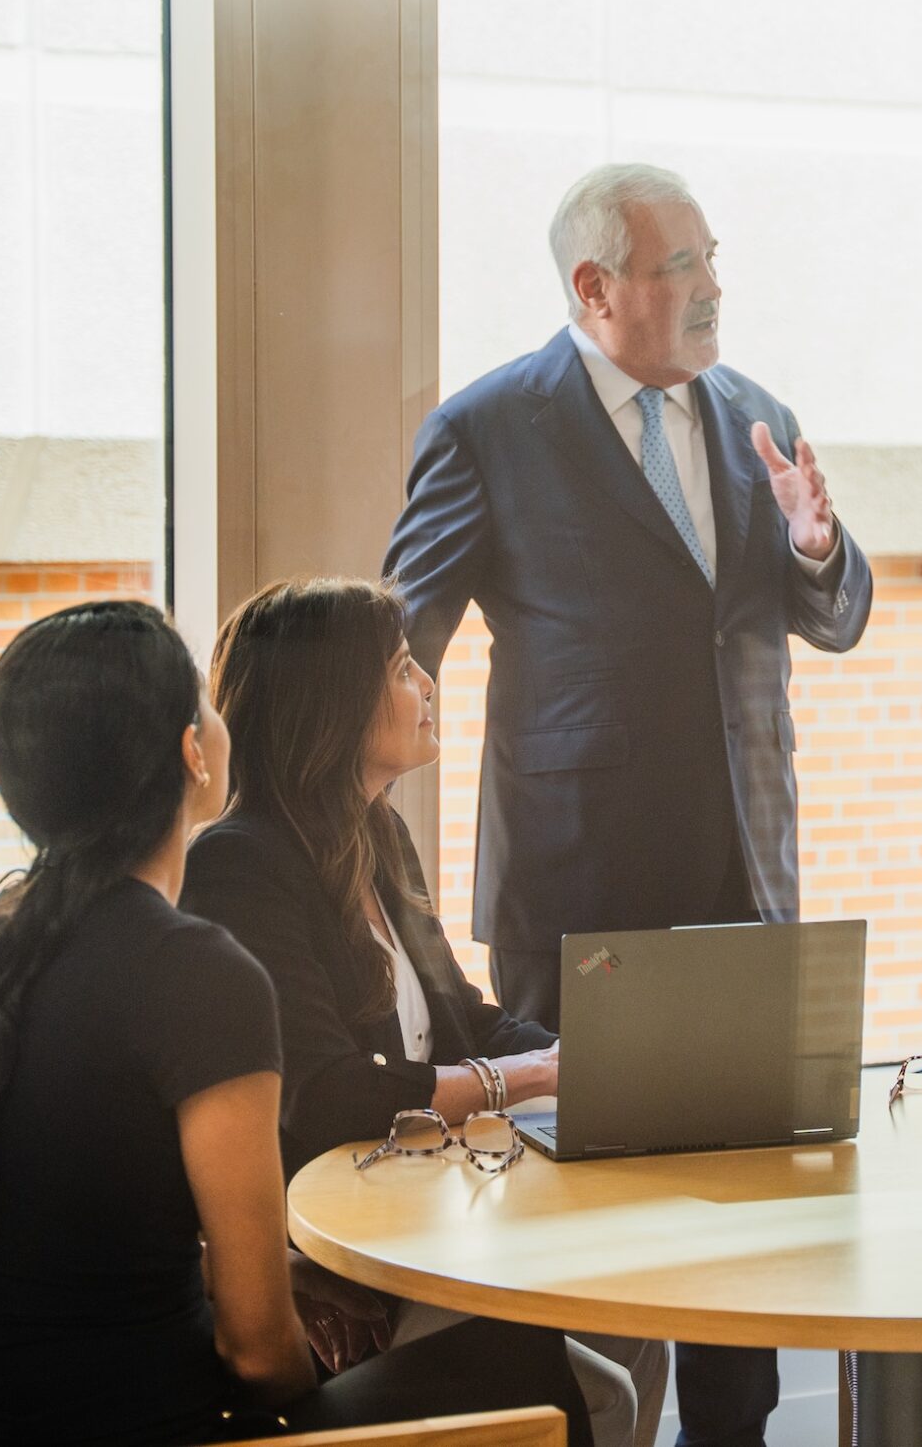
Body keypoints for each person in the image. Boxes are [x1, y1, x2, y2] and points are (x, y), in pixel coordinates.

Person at [383, 162, 873, 1447]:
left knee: (747, 1233)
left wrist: (819, 545)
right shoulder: (489, 426)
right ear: (595, 288)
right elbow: (397, 646)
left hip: (747, 885)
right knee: (588, 1252)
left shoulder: (755, 412)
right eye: (680, 266)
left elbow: (832, 616)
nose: (711, 286)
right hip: (578, 892)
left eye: (713, 258)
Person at [0, 602, 591, 1447]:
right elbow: (259, 1357)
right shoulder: (201, 975)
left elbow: (100, 1231)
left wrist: (272, 1278)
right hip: (176, 1431)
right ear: (192, 753)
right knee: (529, 1362)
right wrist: (299, 1371)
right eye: (207, 705)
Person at [180, 577, 668, 1447]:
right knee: (603, 1389)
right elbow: (328, 1092)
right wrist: (525, 1078)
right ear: (330, 704)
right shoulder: (241, 864)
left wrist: (590, 1052)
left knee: (638, 1326)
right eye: (404, 669)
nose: (428, 686)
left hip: (430, 1208)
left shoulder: (377, 836)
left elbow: (463, 1020)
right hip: (346, 1260)